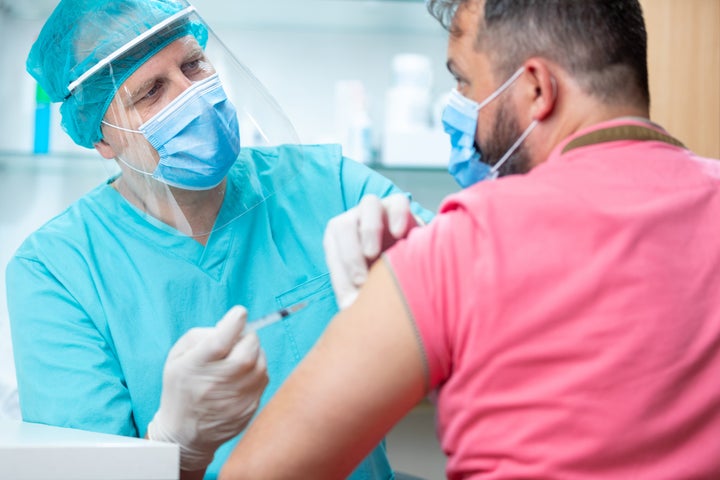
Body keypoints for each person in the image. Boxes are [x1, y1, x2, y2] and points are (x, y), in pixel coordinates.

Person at [218, 0, 720, 478]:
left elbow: (258, 472)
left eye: (464, 81)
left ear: (537, 90)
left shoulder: (459, 246)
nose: (459, 108)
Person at [5, 1, 432, 479]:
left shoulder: (324, 184)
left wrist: (428, 274)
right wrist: (177, 448)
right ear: (103, 138)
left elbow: (473, 288)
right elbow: (82, 472)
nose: (193, 96)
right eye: (151, 92)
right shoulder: (57, 269)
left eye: (193, 65)